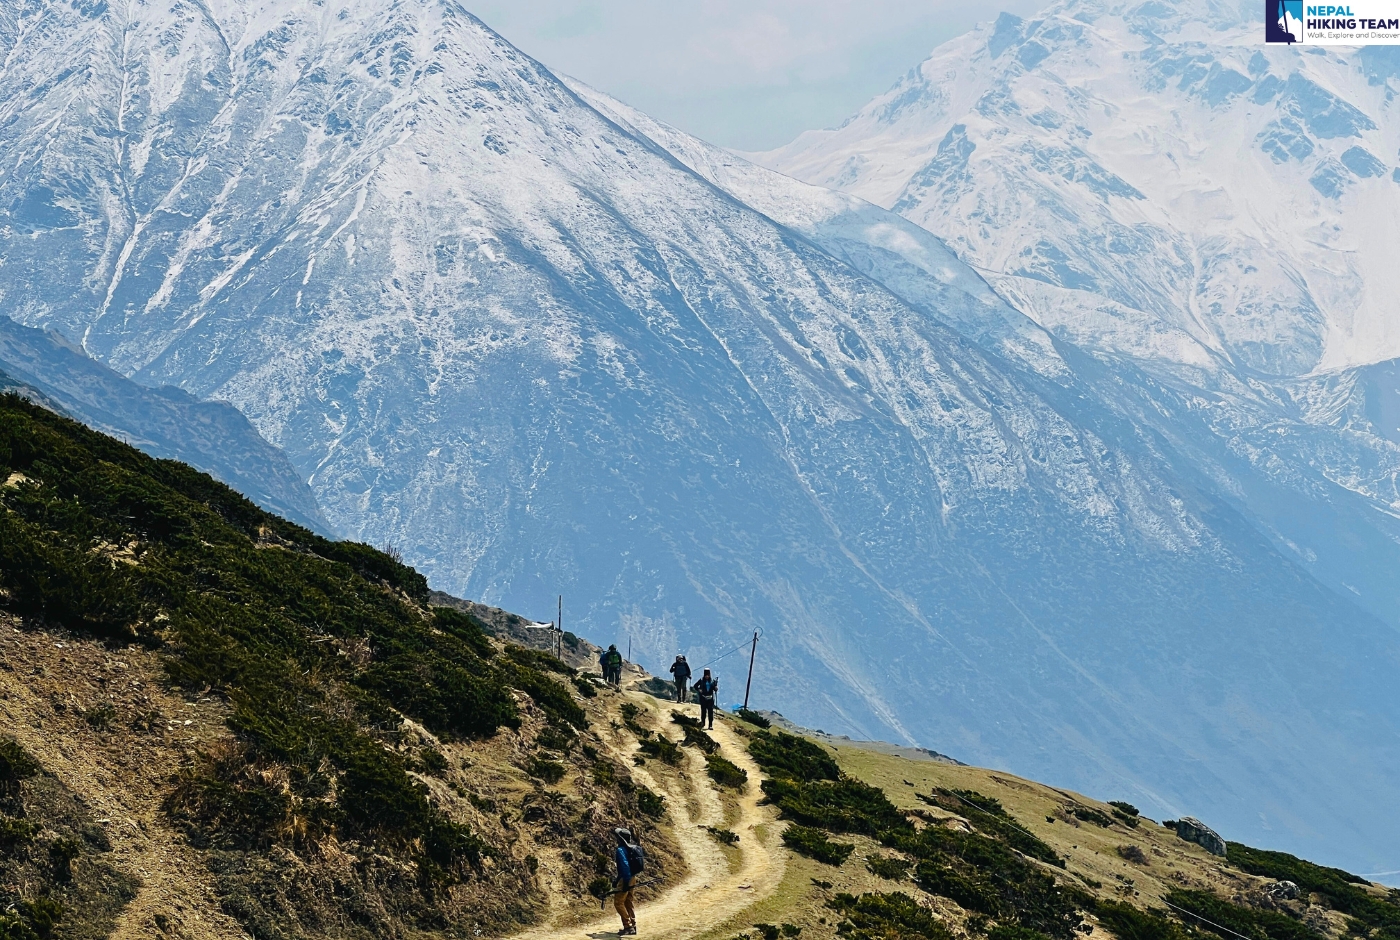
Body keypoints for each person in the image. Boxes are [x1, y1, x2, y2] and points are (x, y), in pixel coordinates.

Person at [612, 827, 644, 935]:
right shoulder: (630, 849)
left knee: (618, 902)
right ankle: (633, 925)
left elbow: (624, 867)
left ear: (620, 839)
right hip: (633, 877)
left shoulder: (620, 850)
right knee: (628, 901)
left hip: (626, 878)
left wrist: (624, 882)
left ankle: (628, 926)